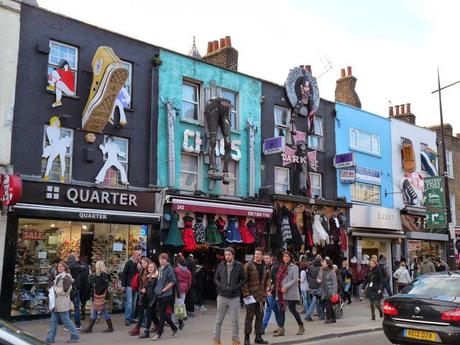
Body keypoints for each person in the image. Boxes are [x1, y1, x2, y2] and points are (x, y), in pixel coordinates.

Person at [213, 247, 247, 345]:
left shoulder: (239, 266)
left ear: (233, 255)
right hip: (222, 296)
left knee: (235, 321)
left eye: (229, 255)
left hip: (234, 297)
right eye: (226, 255)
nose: (227, 256)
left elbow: (244, 279)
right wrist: (221, 286)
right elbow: (215, 278)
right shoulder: (221, 265)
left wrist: (236, 287)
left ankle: (235, 340)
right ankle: (216, 340)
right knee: (218, 320)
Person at [242, 247, 271, 345]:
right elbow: (243, 281)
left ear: (262, 256)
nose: (257, 255)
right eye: (256, 253)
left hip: (261, 297)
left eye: (259, 254)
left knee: (260, 317)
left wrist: (268, 286)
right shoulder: (248, 265)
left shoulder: (265, 266)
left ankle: (258, 337)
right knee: (249, 317)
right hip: (250, 296)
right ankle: (247, 338)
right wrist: (246, 294)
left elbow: (268, 278)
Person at [46, 261, 80, 343]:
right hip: (57, 303)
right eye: (58, 267)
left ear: (65, 267)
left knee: (66, 321)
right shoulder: (58, 276)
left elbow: (65, 290)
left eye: (61, 267)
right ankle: (50, 338)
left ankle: (75, 335)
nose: (60, 268)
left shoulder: (66, 277)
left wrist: (54, 289)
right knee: (53, 321)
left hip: (62, 302)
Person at [273, 251, 304, 337]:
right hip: (281, 292)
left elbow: (295, 280)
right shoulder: (281, 266)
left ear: (290, 257)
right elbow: (278, 279)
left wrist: (286, 287)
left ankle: (301, 326)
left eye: (287, 257)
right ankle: (281, 329)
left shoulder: (294, 267)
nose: (285, 258)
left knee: (292, 309)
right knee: (281, 310)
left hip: (290, 292)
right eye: (284, 257)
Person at [152, 253, 178, 341]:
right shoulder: (159, 268)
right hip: (159, 294)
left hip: (166, 294)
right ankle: (174, 328)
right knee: (163, 313)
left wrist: (163, 290)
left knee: (162, 314)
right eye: (160, 259)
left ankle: (159, 333)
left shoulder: (169, 269)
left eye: (163, 259)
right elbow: (157, 280)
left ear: (167, 260)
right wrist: (156, 289)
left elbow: (173, 281)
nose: (161, 260)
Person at [82, 260, 113, 333]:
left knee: (102, 310)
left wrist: (98, 292)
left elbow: (105, 285)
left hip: (100, 295)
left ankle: (110, 327)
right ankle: (90, 328)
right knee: (95, 310)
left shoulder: (103, 274)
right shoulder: (100, 274)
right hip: (99, 294)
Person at [129, 257, 151, 336]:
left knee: (149, 313)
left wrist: (145, 289)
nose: (143, 264)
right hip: (142, 294)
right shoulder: (142, 271)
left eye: (145, 263)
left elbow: (151, 282)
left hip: (148, 294)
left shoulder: (150, 270)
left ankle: (147, 330)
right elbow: (141, 282)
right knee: (141, 311)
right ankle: (137, 328)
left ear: (148, 263)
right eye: (142, 263)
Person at [138, 261, 160, 338]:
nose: (150, 268)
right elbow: (147, 287)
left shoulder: (156, 277)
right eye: (149, 267)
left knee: (149, 314)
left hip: (152, 298)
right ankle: (159, 326)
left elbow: (155, 290)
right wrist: (144, 289)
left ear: (154, 268)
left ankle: (147, 331)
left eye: (152, 267)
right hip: (146, 298)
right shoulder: (148, 276)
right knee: (152, 314)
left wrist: (153, 300)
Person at [262, 253, 281, 335]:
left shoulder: (274, 267)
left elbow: (276, 281)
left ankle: (262, 328)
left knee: (268, 309)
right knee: (276, 310)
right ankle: (281, 327)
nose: (265, 259)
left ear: (271, 258)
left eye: (267, 258)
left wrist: (271, 290)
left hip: (272, 292)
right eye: (265, 258)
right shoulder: (265, 267)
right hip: (269, 291)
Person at [121, 248, 141, 326]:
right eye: (138, 254)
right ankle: (127, 318)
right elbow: (124, 274)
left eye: (140, 254)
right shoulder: (129, 263)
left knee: (134, 302)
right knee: (129, 302)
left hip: (136, 285)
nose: (140, 255)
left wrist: (140, 267)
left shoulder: (139, 264)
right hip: (129, 285)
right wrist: (123, 285)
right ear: (134, 255)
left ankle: (131, 317)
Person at [175, 253, 192, 330]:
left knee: (177, 304)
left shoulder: (176, 270)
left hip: (177, 287)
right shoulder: (188, 272)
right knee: (181, 302)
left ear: (178, 263)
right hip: (184, 287)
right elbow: (189, 282)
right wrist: (187, 288)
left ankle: (179, 318)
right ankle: (182, 316)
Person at [319, 259, 338, 324]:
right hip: (325, 291)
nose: (322, 263)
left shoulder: (332, 272)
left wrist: (333, 293)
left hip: (330, 291)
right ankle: (333, 318)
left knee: (328, 305)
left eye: (323, 262)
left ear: (327, 264)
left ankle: (329, 318)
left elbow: (335, 283)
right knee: (329, 305)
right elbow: (321, 279)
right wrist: (319, 280)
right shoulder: (323, 271)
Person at [67, 252, 83, 330]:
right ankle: (77, 324)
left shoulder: (67, 267)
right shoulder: (77, 267)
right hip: (76, 288)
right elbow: (82, 269)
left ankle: (67, 325)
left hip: (68, 289)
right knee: (76, 307)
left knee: (68, 307)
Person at [305, 255, 323, 321]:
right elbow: (320, 278)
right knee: (315, 301)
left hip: (311, 286)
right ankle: (308, 315)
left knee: (316, 301)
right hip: (317, 286)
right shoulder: (320, 268)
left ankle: (321, 315)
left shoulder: (310, 267)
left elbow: (308, 276)